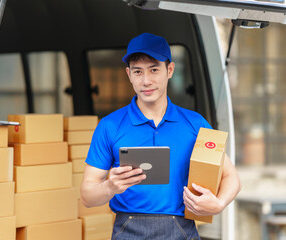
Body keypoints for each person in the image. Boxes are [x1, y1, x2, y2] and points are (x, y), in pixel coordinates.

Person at [80, 33, 241, 240]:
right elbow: (87, 196)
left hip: (181, 229)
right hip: (128, 229)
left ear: (170, 70)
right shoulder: (109, 126)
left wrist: (218, 205)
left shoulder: (195, 124)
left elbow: (231, 177)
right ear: (129, 74)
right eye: (138, 72)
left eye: (154, 70)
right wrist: (109, 186)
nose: (146, 80)